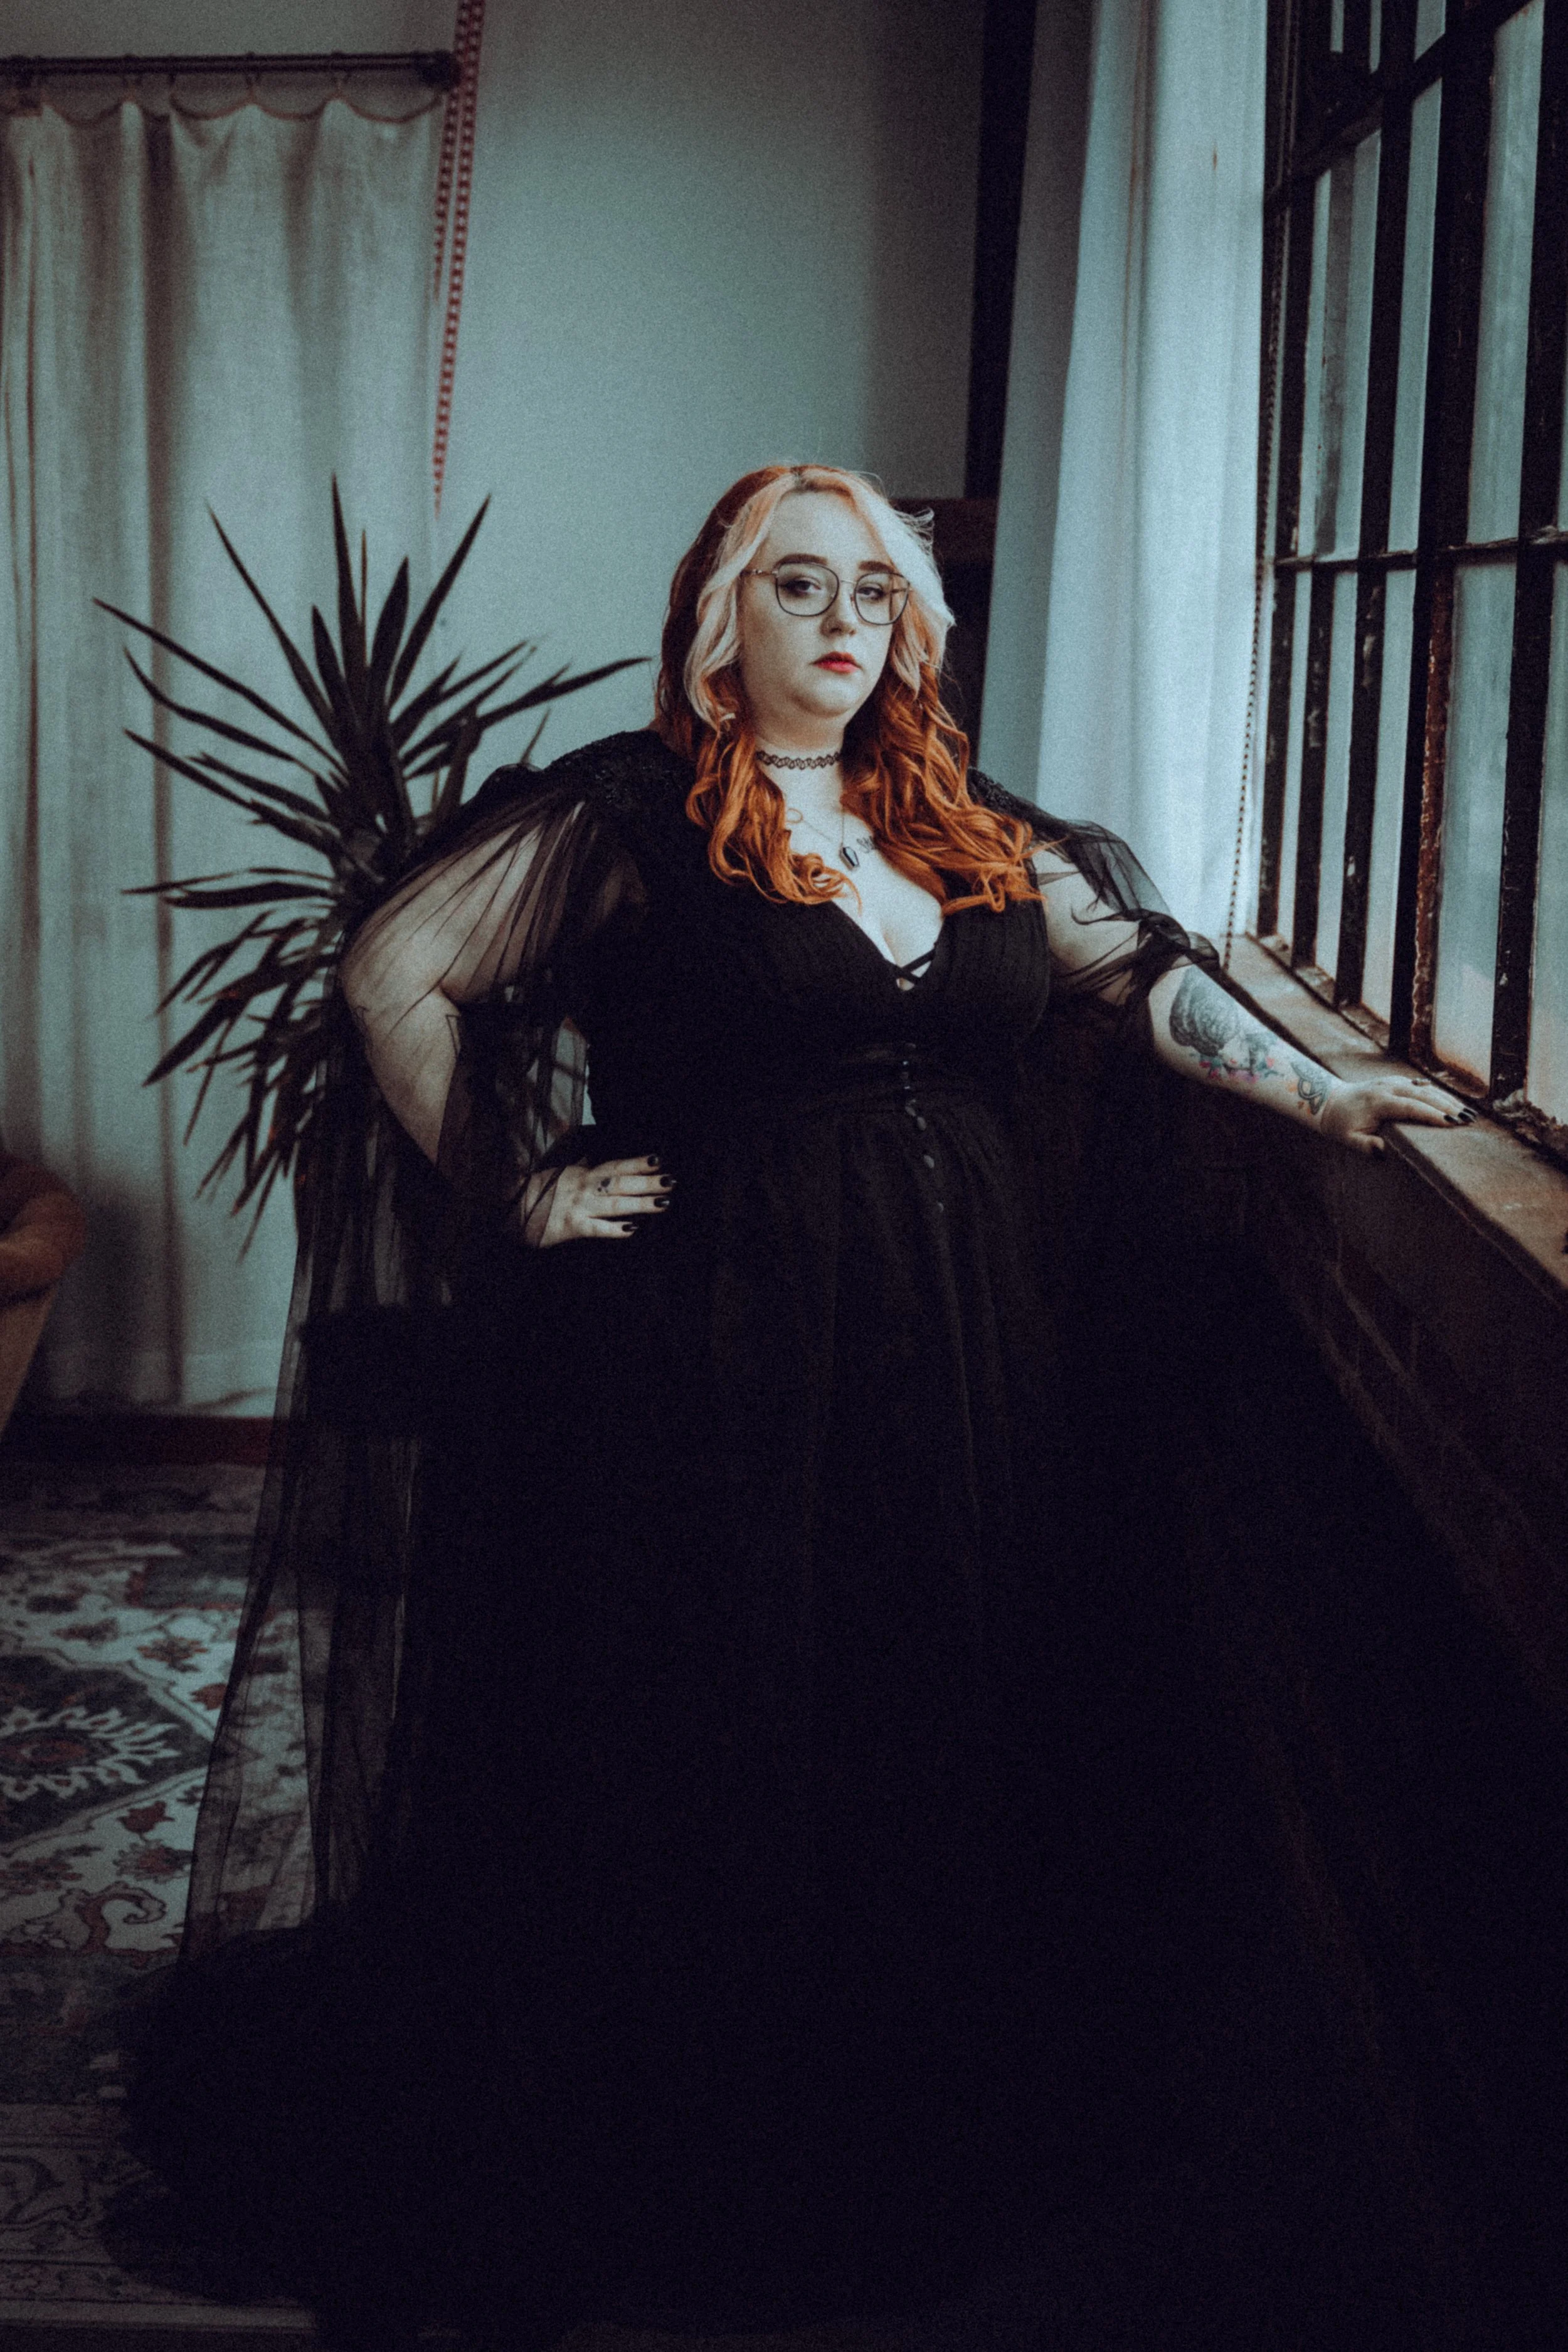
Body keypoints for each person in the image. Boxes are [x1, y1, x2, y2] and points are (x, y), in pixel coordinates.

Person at [127, 464, 1469, 2351]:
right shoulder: (638, 815)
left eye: (874, 596)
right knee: (729, 1700)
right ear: (719, 621)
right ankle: (702, 2129)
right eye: (799, 587)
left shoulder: (968, 823)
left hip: (955, 1344)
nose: (843, 622)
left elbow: (1137, 979)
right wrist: (511, 1186)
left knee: (915, 1691)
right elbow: (394, 969)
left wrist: (1320, 1096)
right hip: (718, 1351)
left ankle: (889, 2098)